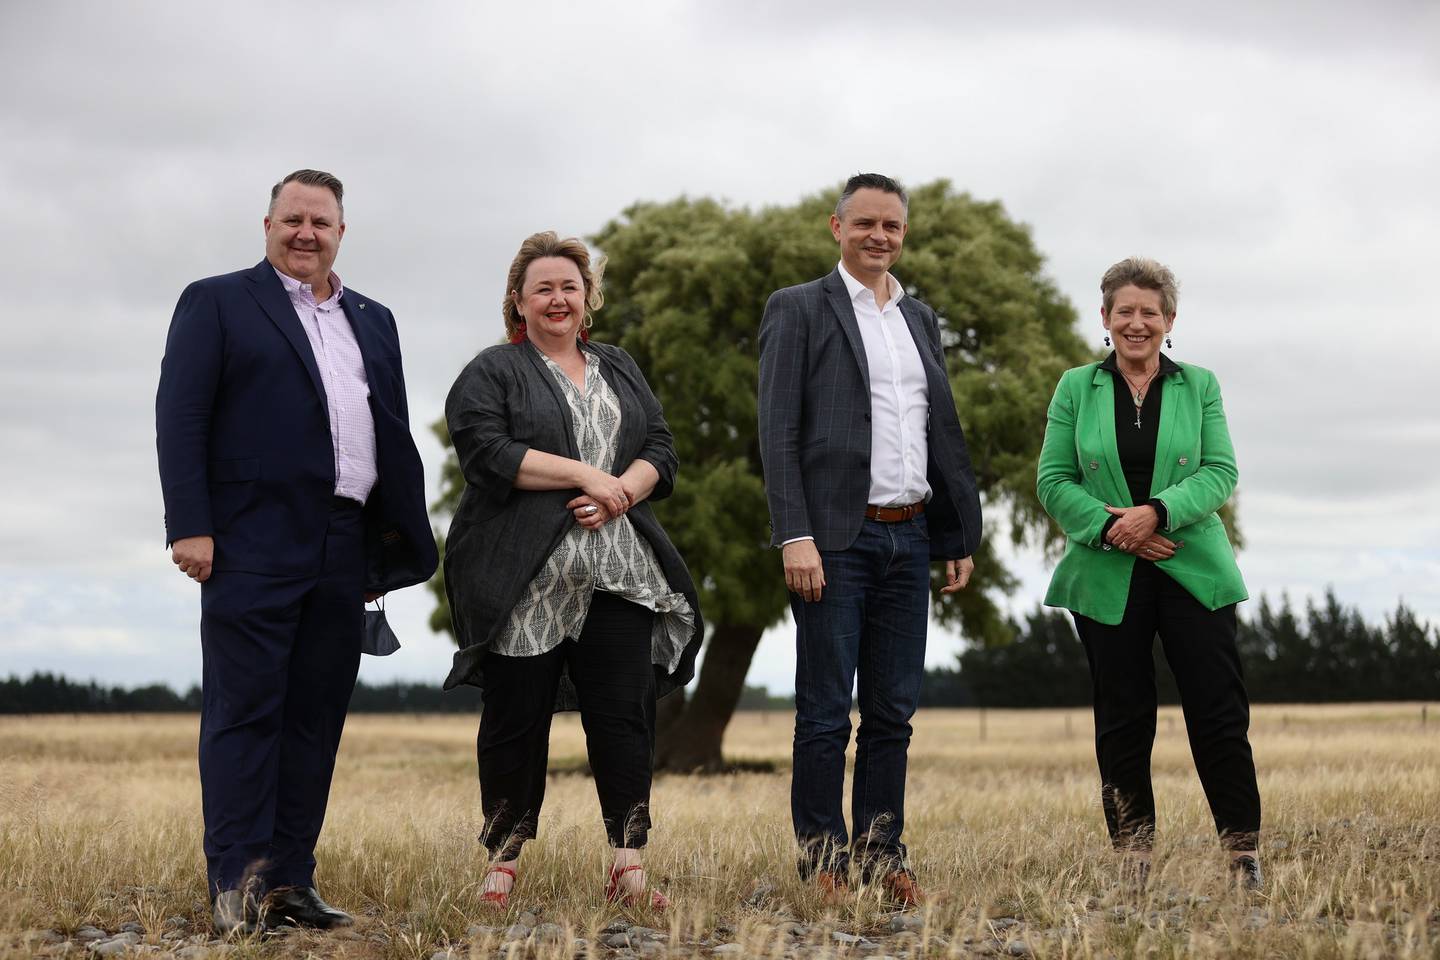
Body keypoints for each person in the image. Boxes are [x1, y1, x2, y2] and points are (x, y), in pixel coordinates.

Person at [156, 169, 437, 933]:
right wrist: (191, 523)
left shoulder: (373, 319)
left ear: (341, 232)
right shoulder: (216, 301)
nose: (305, 232)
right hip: (249, 537)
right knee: (247, 713)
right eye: (293, 218)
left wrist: (392, 533)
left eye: (321, 221)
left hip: (344, 542)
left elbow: (387, 424)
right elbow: (182, 415)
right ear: (268, 224)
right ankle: (238, 885)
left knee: (316, 717)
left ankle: (289, 883)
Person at [441, 232, 703, 911]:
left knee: (625, 716)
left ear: (588, 299)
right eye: (543, 289)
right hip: (525, 576)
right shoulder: (493, 371)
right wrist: (587, 474)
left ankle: (629, 865)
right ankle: (501, 864)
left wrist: (624, 490)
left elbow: (660, 446)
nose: (558, 299)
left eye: (569, 288)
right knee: (514, 719)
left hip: (619, 567)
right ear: (519, 303)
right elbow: (488, 453)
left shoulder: (617, 364)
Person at [757, 174, 983, 905]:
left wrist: (955, 532)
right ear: (836, 227)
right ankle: (821, 861)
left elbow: (937, 433)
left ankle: (883, 857)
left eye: (891, 225)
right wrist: (794, 534)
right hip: (834, 541)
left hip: (910, 535)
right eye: (865, 224)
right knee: (825, 711)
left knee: (893, 713)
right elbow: (778, 430)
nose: (879, 236)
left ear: (904, 234)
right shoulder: (797, 309)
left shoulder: (921, 319)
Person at [1036, 256, 1262, 890]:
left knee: (1218, 711)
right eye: (1124, 312)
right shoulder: (1076, 387)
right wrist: (1118, 530)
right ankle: (1132, 855)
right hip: (1107, 569)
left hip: (1192, 567)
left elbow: (1219, 472)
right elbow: (1053, 481)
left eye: (1150, 312)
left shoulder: (1201, 385)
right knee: (1123, 715)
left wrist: (1157, 514)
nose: (1138, 323)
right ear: (1105, 318)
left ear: (1169, 320)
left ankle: (1241, 854)